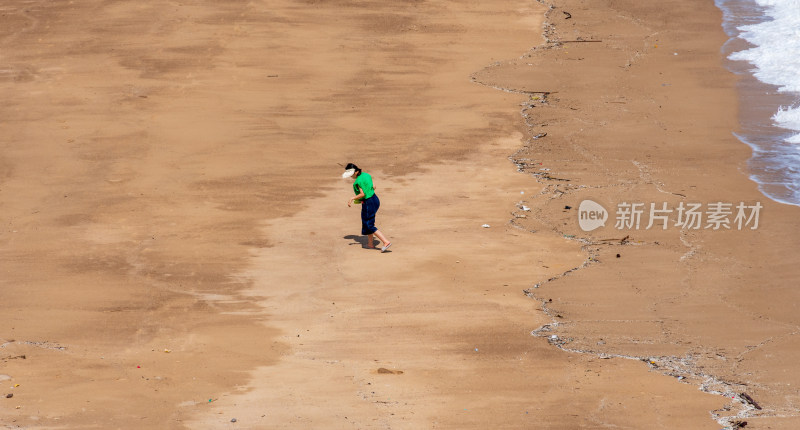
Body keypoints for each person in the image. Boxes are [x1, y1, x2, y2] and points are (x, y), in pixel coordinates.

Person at [343, 163, 391, 252]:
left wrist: (352, 198)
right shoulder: (366, 175)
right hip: (375, 200)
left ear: (356, 172)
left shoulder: (357, 182)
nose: (351, 177)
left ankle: (386, 242)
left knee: (369, 224)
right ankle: (370, 244)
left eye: (351, 174)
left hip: (368, 202)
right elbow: (374, 186)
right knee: (367, 221)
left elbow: (363, 194)